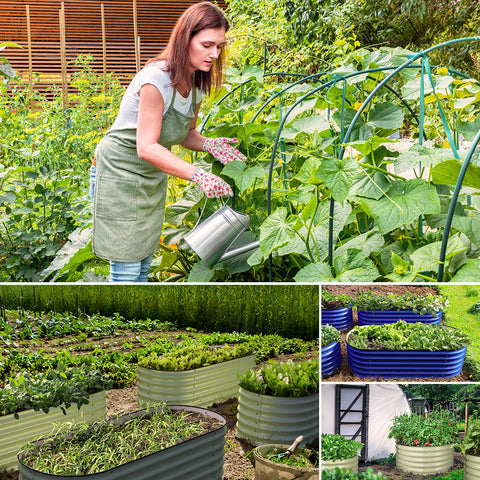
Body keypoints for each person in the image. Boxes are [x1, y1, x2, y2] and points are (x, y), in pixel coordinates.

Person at [91, 1, 246, 282]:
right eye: (207, 45)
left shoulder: (197, 82)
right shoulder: (156, 80)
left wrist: (210, 144)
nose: (214, 54)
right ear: (186, 38)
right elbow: (146, 146)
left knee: (142, 265)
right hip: (119, 174)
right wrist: (198, 175)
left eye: (219, 46)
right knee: (126, 268)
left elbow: (184, 133)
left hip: (149, 176)